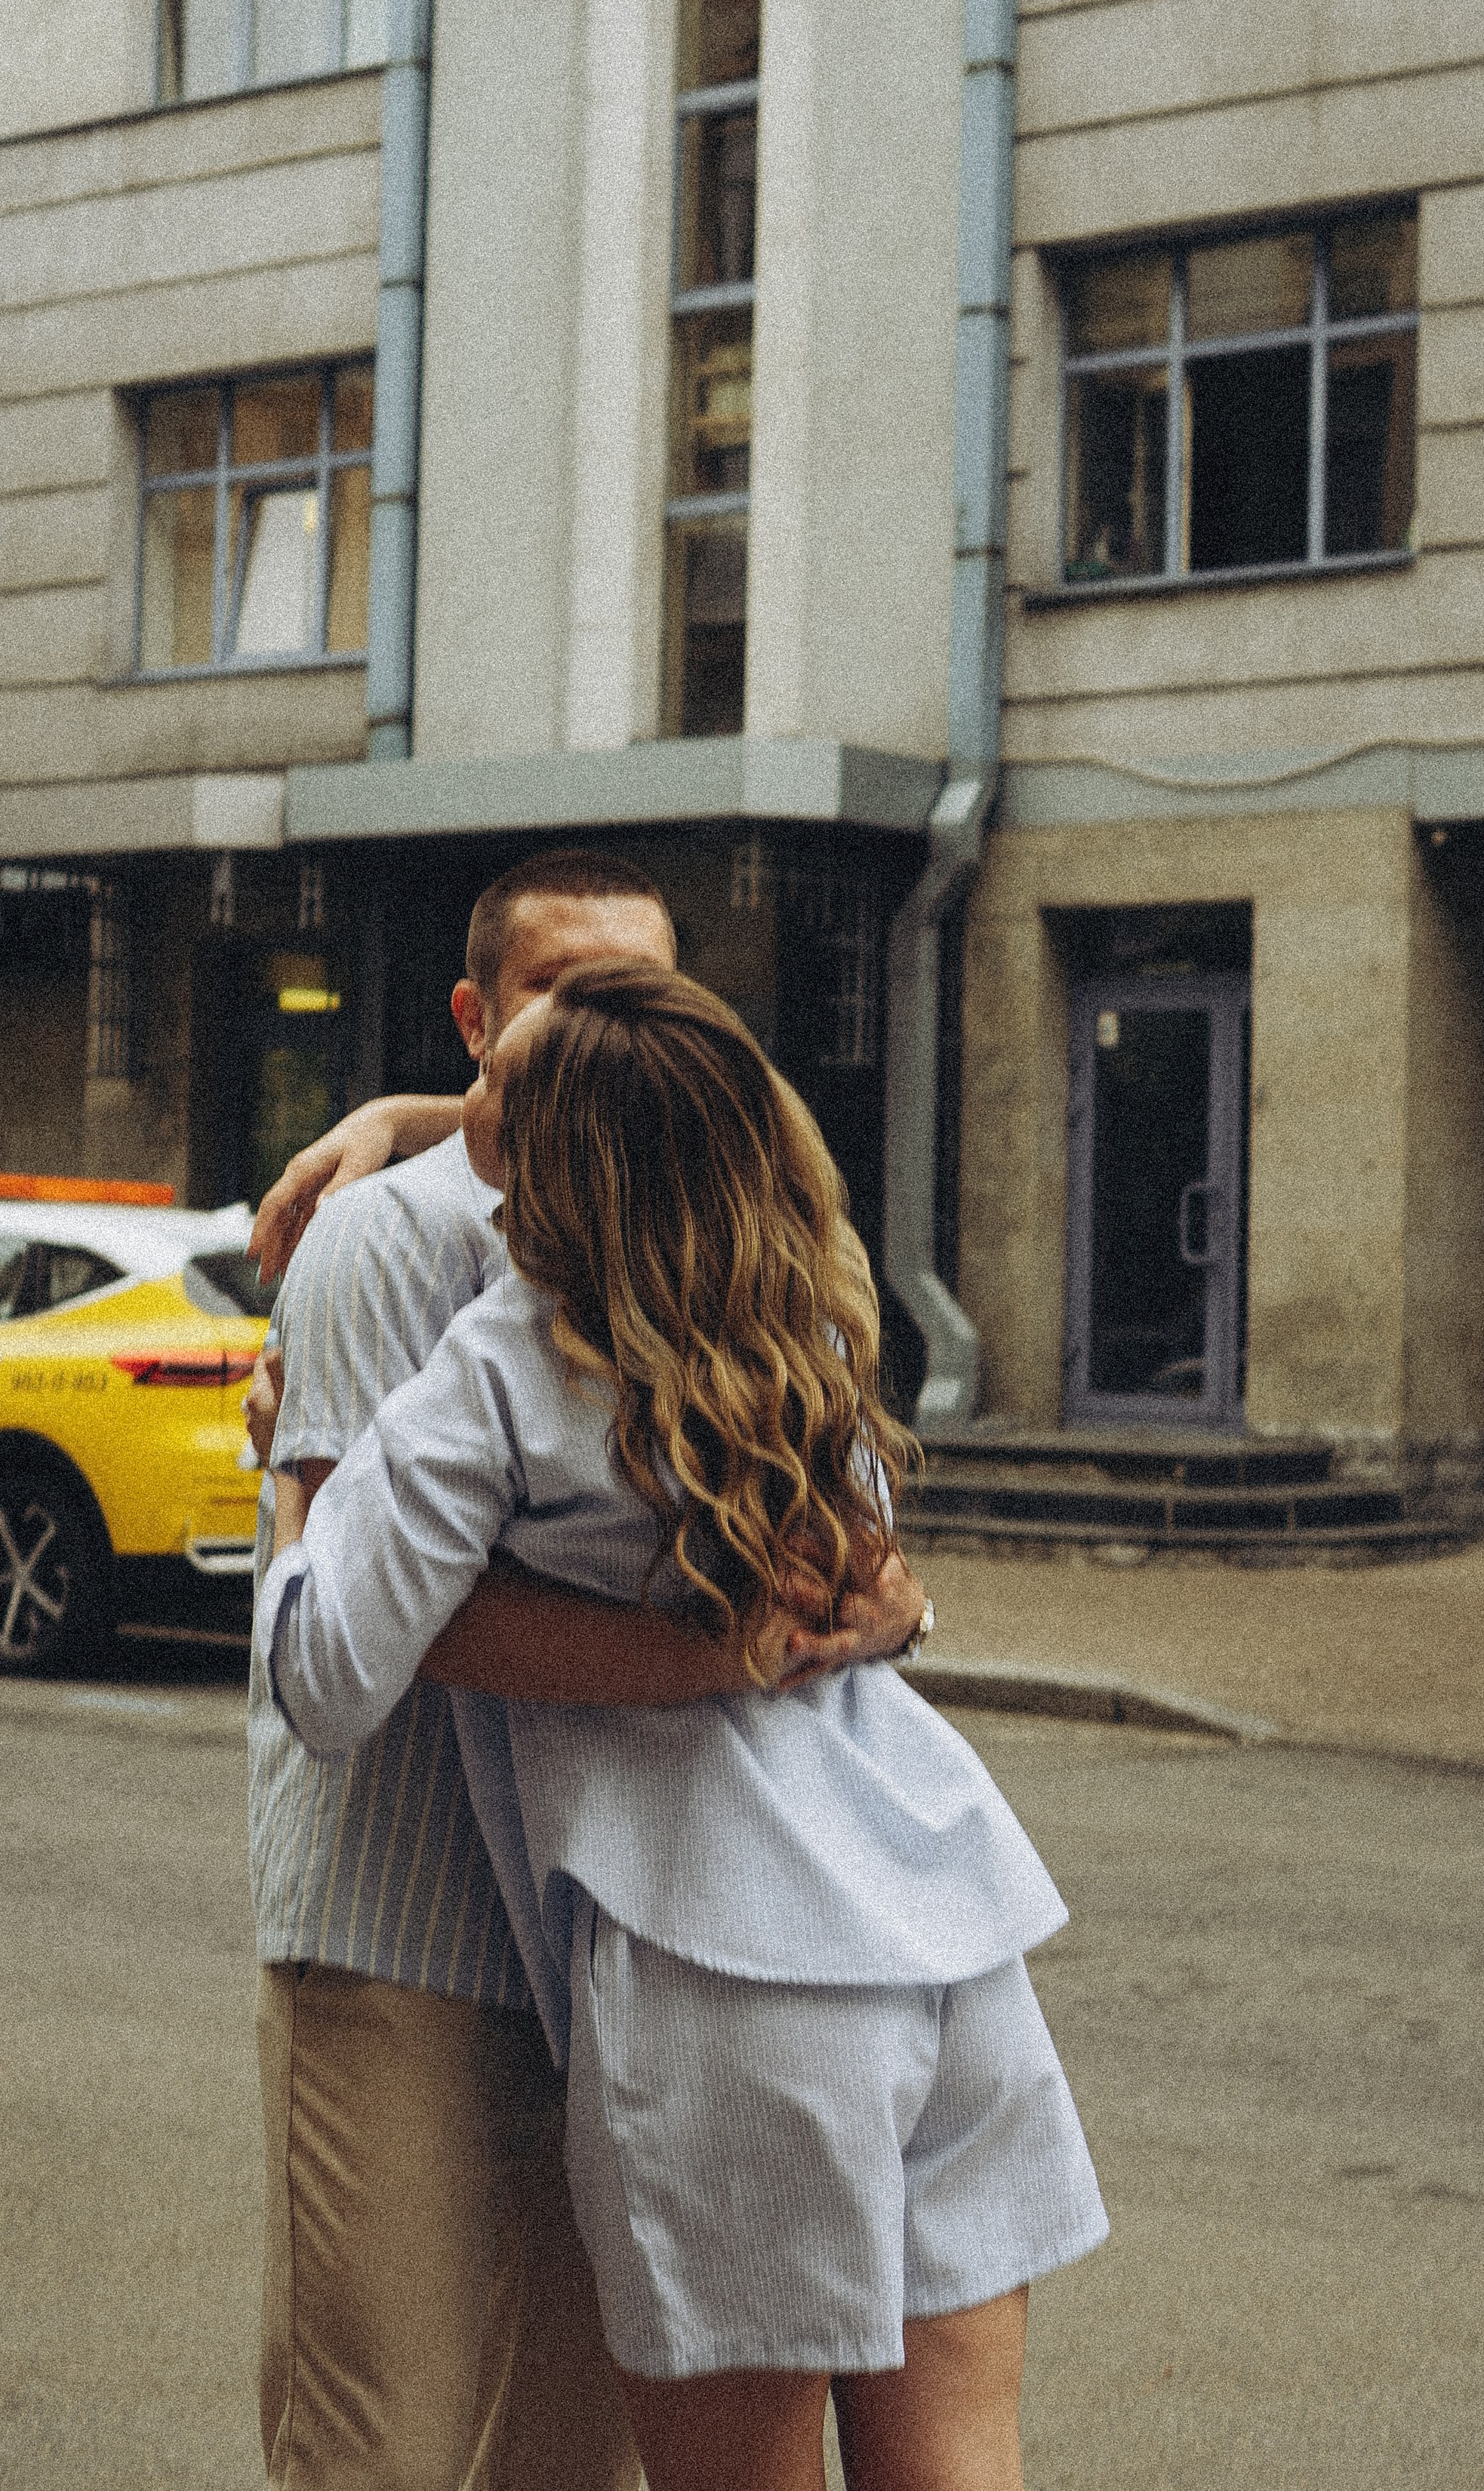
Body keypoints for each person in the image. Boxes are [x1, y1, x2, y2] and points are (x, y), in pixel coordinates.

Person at [260, 964, 1107, 2491]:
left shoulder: (504, 1368)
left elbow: (326, 1679)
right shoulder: (806, 1340)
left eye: (489, 1087)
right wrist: (393, 1116)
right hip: (948, 1944)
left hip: (729, 1984)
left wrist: (294, 1491)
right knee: (959, 2468)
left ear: (551, 1163)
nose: (463, 1105)